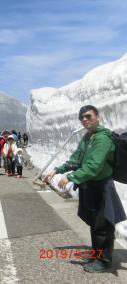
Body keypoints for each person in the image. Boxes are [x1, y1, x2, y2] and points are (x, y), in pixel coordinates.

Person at [43, 105, 126, 272]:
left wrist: (71, 177)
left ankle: (104, 261)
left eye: (88, 116)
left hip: (102, 187)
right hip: (90, 186)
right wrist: (57, 170)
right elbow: (76, 159)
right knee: (94, 224)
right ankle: (96, 254)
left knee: (103, 226)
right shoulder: (89, 137)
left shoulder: (103, 138)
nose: (84, 119)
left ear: (98, 117)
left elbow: (93, 166)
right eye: (82, 117)